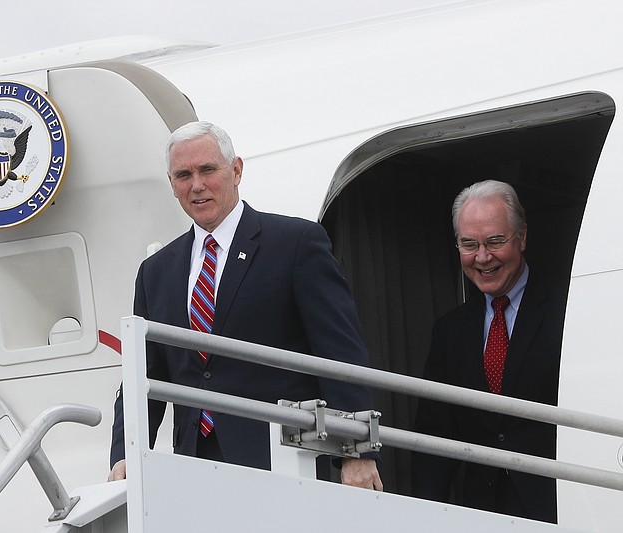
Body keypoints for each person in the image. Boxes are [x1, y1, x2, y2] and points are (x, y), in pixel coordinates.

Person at [108, 121, 382, 489]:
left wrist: (356, 452)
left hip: (286, 462)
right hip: (196, 467)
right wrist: (125, 454)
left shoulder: (295, 244)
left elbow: (339, 356)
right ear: (171, 184)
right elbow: (145, 375)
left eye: (208, 170)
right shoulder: (156, 272)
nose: (197, 185)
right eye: (183, 175)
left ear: (236, 170)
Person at [411, 180, 566, 522]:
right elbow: (435, 438)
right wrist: (424, 518)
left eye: (495, 241)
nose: (482, 257)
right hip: (481, 512)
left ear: (522, 237)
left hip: (562, 506)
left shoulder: (568, 308)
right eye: (469, 244)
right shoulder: (449, 331)